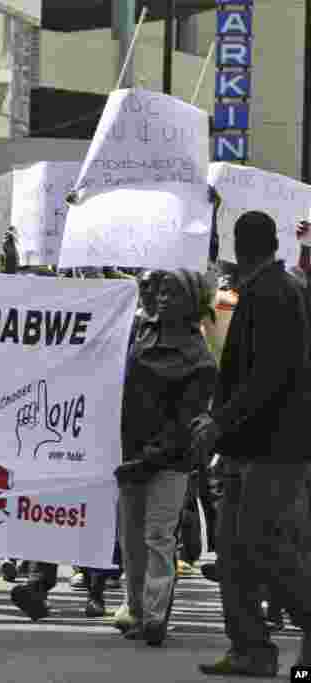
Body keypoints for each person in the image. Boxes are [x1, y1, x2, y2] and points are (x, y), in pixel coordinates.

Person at [192, 210, 311, 677]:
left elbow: (270, 375)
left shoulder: (275, 293)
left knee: (265, 547)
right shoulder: (263, 290)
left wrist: (219, 421)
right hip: (247, 445)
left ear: (238, 247)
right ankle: (250, 649)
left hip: (274, 446)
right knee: (234, 552)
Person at [113, 270, 217, 647]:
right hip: (130, 455)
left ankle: (155, 616)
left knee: (158, 536)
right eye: (160, 292)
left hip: (168, 461)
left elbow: (184, 421)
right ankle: (136, 609)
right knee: (131, 537)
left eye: (172, 293)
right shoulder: (139, 334)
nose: (163, 299)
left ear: (190, 301)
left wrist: (150, 458)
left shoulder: (199, 359)